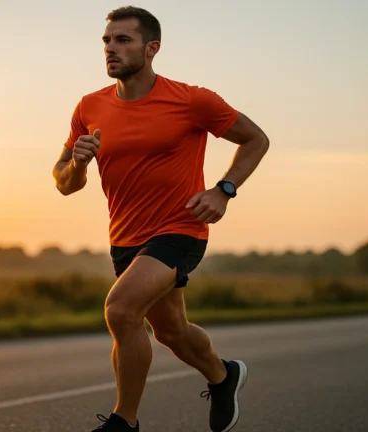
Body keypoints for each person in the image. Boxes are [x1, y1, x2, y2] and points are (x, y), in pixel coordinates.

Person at [52, 6, 270, 432]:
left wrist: (223, 190)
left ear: (152, 48)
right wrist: (77, 165)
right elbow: (64, 183)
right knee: (171, 332)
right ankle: (223, 376)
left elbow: (256, 139)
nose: (111, 49)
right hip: (126, 238)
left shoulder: (191, 100)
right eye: (107, 41)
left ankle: (124, 422)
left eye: (123, 40)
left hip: (181, 228)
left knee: (120, 309)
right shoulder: (89, 106)